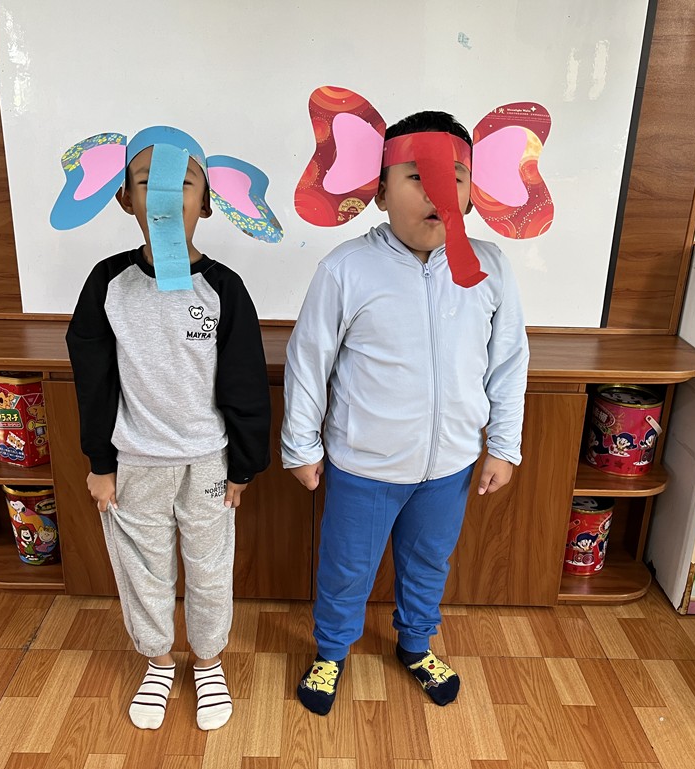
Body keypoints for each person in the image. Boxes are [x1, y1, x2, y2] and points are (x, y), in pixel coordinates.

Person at [282, 110, 529, 715]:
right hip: (364, 465)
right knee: (347, 568)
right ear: (380, 189)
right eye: (418, 177)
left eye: (455, 177)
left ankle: (416, 645)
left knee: (428, 564)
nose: (438, 192)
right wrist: (300, 446)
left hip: (449, 465)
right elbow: (309, 359)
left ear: (471, 191)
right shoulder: (346, 268)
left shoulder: (490, 268)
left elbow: (508, 362)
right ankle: (331, 652)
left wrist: (503, 445)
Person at [66, 126, 272, 731]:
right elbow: (94, 380)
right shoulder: (108, 284)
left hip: (207, 461)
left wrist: (242, 466)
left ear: (205, 202)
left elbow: (244, 382)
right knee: (143, 568)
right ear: (124, 199)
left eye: (181, 182)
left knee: (209, 568)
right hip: (135, 462)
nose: (161, 195)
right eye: (144, 181)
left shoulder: (224, 288)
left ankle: (208, 661)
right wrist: (100, 464)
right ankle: (157, 660)